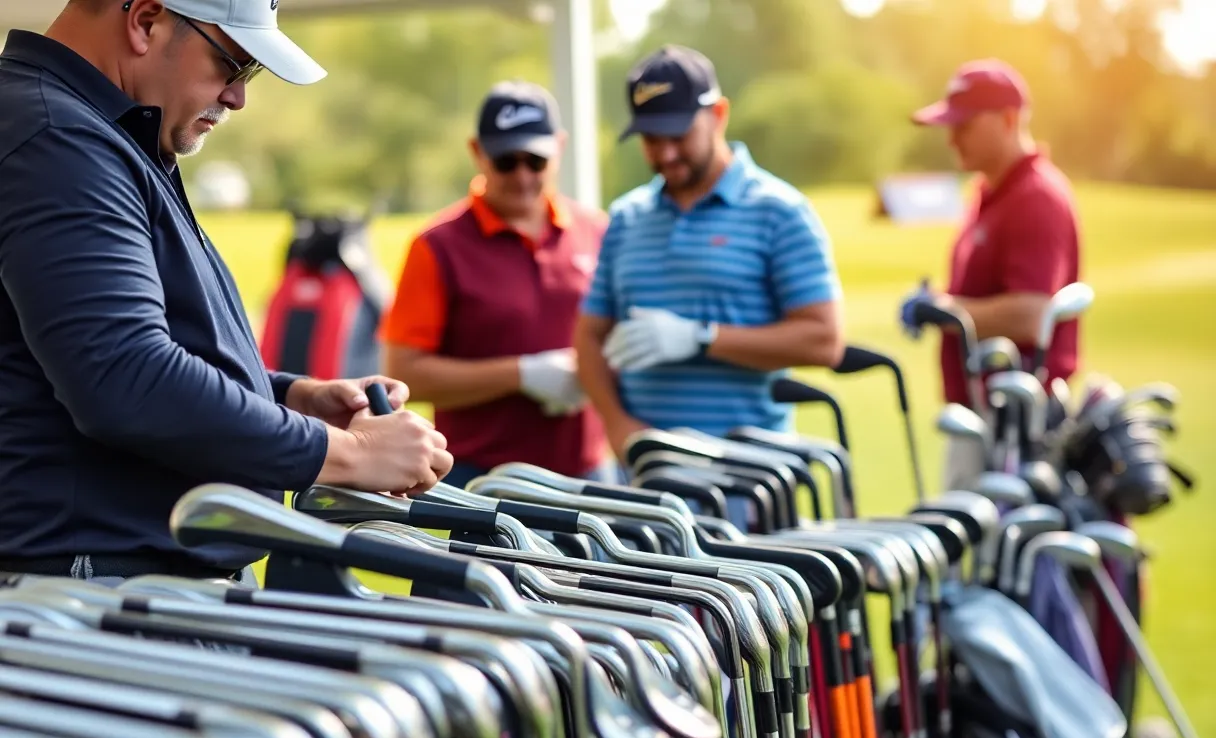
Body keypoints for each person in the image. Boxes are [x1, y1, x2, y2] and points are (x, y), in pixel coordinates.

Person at [0, 0, 453, 585]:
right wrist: (350, 454)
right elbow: (125, 377)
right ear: (144, 19)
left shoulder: (93, 131)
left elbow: (127, 353)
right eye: (232, 64)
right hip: (103, 591)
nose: (238, 96)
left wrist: (291, 398)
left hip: (129, 584)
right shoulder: (59, 139)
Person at [574, 45, 845, 462]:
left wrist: (701, 337)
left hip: (752, 476)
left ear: (718, 114)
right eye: (651, 139)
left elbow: (824, 340)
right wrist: (616, 423)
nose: (665, 153)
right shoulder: (628, 217)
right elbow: (589, 334)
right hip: (649, 472)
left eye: (678, 135)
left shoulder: (779, 211)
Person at [380, 80, 613, 489]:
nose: (523, 176)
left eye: (536, 161)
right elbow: (406, 373)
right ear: (477, 152)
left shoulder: (596, 231)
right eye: (507, 161)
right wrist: (521, 375)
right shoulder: (437, 246)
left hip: (587, 470)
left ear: (559, 147)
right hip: (484, 479)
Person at [901, 59, 1083, 489]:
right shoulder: (988, 193)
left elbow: (1031, 314)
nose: (952, 138)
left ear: (1008, 119)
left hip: (1019, 423)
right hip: (983, 414)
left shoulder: (1037, 196)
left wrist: (941, 309)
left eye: (964, 126)